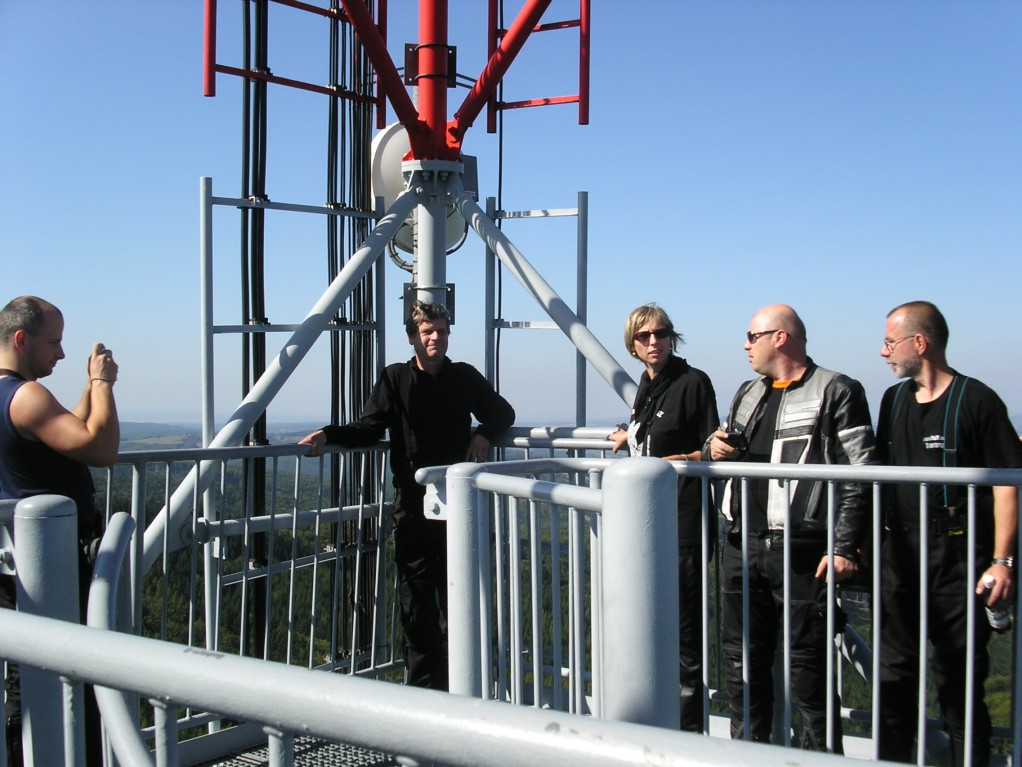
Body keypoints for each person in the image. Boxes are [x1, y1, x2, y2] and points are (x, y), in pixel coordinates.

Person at [299, 302, 515, 690]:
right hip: (414, 506)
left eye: (441, 331)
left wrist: (483, 433)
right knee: (416, 601)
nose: (436, 338)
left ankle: (460, 687)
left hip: (459, 504)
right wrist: (329, 434)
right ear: (412, 337)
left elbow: (503, 413)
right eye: (427, 332)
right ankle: (423, 690)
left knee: (460, 597)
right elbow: (369, 427)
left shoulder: (463, 377)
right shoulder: (395, 379)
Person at [702, 304, 876, 751]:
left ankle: (820, 757)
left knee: (808, 665)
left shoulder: (837, 390)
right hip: (741, 542)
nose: (745, 345)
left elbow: (861, 474)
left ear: (779, 337)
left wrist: (842, 546)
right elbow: (719, 444)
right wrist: (713, 448)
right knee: (742, 663)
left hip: (801, 550)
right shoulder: (748, 392)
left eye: (751, 336)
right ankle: (747, 754)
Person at [875, 301, 1021, 767]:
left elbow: (1008, 484)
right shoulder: (892, 401)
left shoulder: (977, 401)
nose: (884, 353)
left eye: (890, 343)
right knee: (894, 679)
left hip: (959, 560)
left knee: (959, 685)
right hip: (900, 557)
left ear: (920, 343)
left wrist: (1002, 561)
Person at [0, 295, 119, 767]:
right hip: (52, 563)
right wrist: (103, 384)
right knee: (64, 675)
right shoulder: (26, 396)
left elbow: (66, 430)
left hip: (14, 561)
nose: (61, 353)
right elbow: (100, 448)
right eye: (53, 343)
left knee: (26, 675)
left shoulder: (13, 398)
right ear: (21, 339)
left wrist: (89, 387)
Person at [608, 303, 718, 732]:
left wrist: (681, 460)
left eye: (661, 333)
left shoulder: (693, 383)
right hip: (649, 526)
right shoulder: (647, 384)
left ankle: (687, 735)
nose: (654, 342)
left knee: (686, 637)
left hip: (684, 526)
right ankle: (660, 724)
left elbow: (713, 449)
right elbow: (653, 432)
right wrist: (630, 433)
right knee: (652, 626)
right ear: (633, 345)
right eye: (644, 336)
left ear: (673, 337)